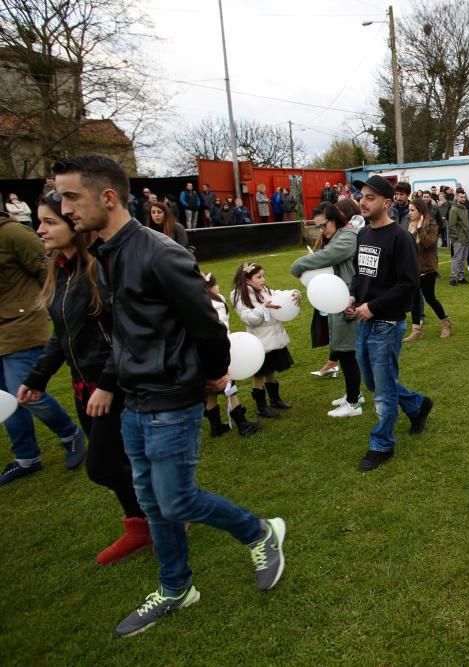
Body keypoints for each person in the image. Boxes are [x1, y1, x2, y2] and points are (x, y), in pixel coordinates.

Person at [53, 154, 286, 637]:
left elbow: (206, 325)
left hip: (172, 399)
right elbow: (125, 333)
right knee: (152, 502)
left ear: (108, 197)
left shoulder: (159, 253)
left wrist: (215, 374)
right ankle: (177, 586)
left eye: (72, 196)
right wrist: (112, 384)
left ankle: (259, 532)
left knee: (176, 500)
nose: (64, 206)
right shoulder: (108, 255)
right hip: (134, 402)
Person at [16, 193, 152, 564]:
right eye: (38, 221)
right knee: (123, 461)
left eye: (49, 222)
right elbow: (63, 335)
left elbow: (125, 333)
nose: (39, 229)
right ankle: (142, 525)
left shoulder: (100, 270)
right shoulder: (61, 270)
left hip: (114, 385)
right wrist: (38, 378)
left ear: (75, 227)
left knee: (103, 465)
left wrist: (107, 384)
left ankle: (163, 515)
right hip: (84, 386)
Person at [346, 175, 434, 471]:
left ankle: (381, 445)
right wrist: (352, 296)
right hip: (365, 320)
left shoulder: (400, 238)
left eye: (370, 197)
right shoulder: (363, 235)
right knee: (372, 382)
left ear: (386, 202)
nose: (363, 201)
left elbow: (409, 284)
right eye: (362, 196)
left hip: (386, 323)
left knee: (383, 391)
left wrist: (374, 306)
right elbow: (361, 274)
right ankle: (417, 404)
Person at [0, 207, 85, 486]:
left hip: (21, 324)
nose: (41, 228)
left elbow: (46, 268)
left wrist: (53, 306)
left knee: (24, 391)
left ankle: (68, 433)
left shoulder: (12, 233)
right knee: (5, 399)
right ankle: (26, 457)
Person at [291, 203, 363, 417]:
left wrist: (299, 264)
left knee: (347, 351)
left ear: (335, 218)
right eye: (319, 227)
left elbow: (329, 255)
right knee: (343, 350)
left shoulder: (348, 236)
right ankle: (354, 395)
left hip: (347, 300)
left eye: (324, 225)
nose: (323, 231)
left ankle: (353, 403)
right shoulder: (341, 235)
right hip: (339, 298)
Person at [231, 262, 296, 419]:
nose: (263, 279)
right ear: (247, 280)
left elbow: (278, 294)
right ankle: (261, 406)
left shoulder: (264, 290)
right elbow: (249, 319)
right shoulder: (239, 295)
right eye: (259, 277)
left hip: (273, 338)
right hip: (259, 341)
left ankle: (275, 399)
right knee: (259, 374)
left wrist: (293, 293)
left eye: (263, 276)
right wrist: (263, 308)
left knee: (271, 370)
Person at [202, 273, 262, 437]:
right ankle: (243, 425)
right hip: (218, 350)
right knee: (230, 388)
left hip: (205, 352)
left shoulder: (202, 302)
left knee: (211, 391)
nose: (218, 287)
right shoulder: (214, 304)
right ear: (209, 286)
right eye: (215, 284)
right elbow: (218, 328)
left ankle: (216, 427)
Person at [404, 197, 451, 340]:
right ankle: (416, 331)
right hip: (412, 268)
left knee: (430, 298)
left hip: (427, 267)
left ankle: (446, 323)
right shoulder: (408, 224)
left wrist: (419, 229)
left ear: (420, 211)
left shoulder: (431, 223)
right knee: (414, 299)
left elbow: (429, 243)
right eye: (409, 210)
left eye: (412, 210)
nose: (409, 213)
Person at [448, 188, 469, 286]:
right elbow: (452, 225)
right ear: (457, 197)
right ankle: (453, 278)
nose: (463, 199)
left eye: (464, 197)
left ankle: (461, 277)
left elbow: (466, 224)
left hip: (466, 238)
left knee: (463, 259)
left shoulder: (464, 209)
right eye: (461, 197)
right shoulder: (454, 209)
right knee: (457, 258)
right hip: (459, 239)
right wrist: (457, 237)